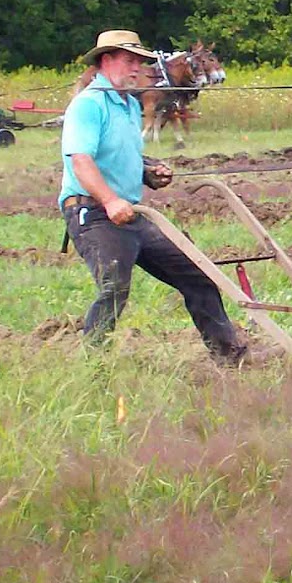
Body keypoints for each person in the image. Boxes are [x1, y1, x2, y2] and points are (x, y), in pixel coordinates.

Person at [60, 30, 248, 364]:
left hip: (131, 213)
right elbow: (81, 161)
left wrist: (148, 171)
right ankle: (93, 366)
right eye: (130, 60)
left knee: (197, 274)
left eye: (141, 61)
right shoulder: (88, 104)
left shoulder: (129, 106)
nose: (138, 68)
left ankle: (230, 358)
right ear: (106, 61)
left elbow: (121, 155)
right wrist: (110, 201)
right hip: (94, 214)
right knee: (114, 288)